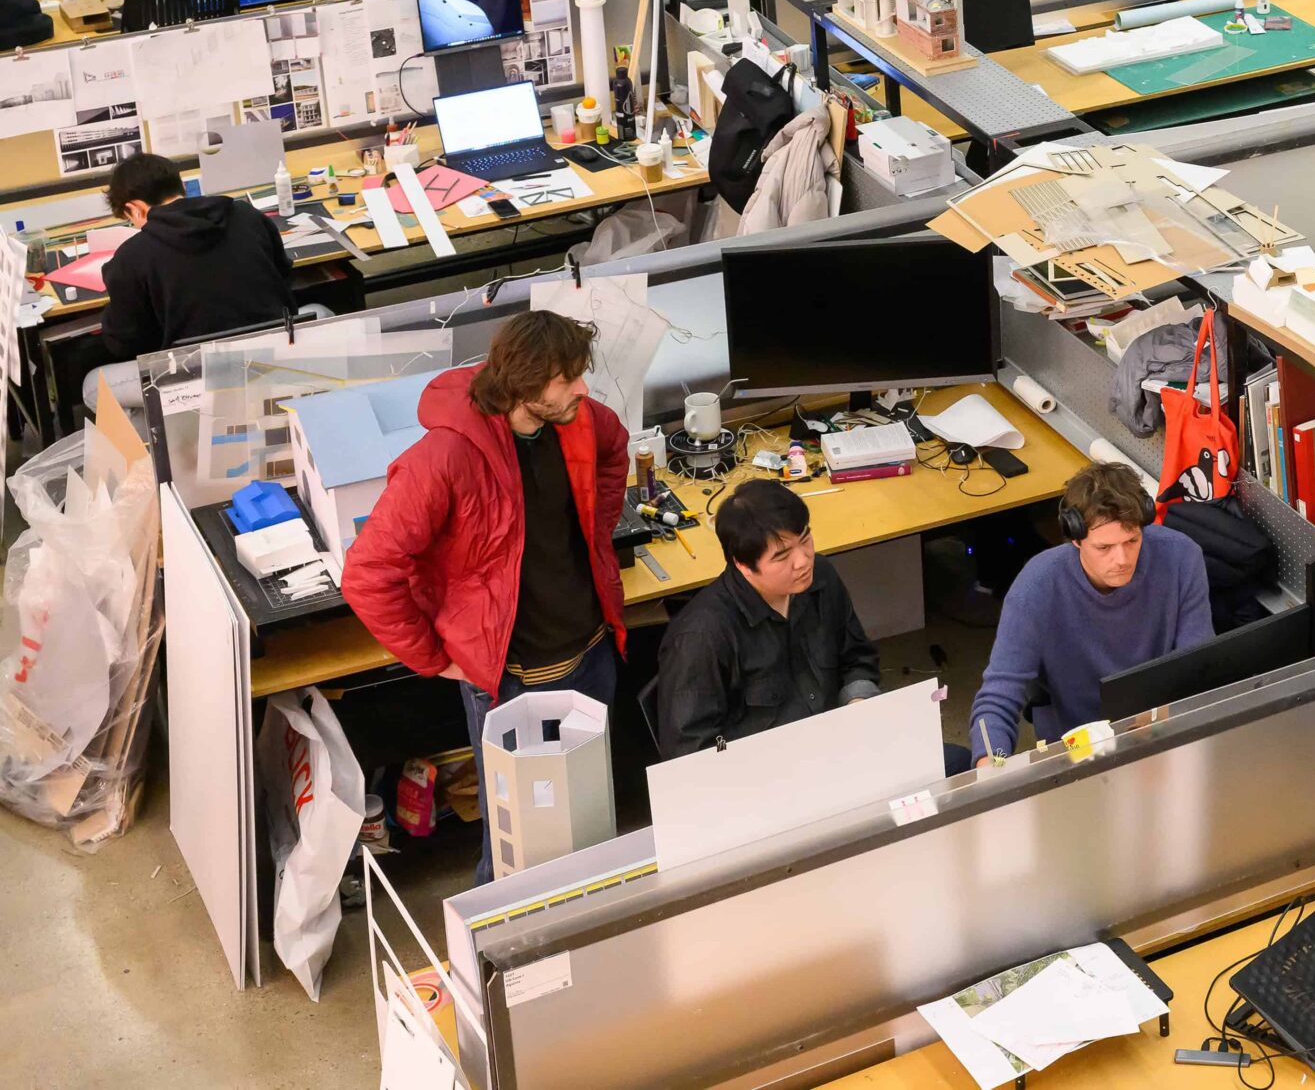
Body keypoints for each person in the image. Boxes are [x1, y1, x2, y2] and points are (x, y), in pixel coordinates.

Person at [342, 310, 630, 882]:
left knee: (589, 825)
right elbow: (368, 573)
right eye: (566, 378)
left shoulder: (581, 421)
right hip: (512, 683)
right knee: (513, 852)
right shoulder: (446, 457)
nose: (582, 388)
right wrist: (434, 658)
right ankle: (491, 960)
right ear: (524, 386)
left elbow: (616, 450)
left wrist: (595, 537)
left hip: (592, 657)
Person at [967, 462, 1212, 766]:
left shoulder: (1181, 557)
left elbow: (1198, 670)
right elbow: (999, 694)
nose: (1121, 559)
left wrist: (1161, 724)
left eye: (1132, 540)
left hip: (1159, 731)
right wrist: (991, 765)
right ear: (1075, 537)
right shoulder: (1037, 586)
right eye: (1104, 547)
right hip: (1075, 748)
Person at [655, 481, 881, 758]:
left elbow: (857, 657)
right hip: (766, 778)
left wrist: (858, 701)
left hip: (840, 745)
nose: (803, 561)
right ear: (743, 564)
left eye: (805, 539)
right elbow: (691, 752)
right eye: (782, 555)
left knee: (944, 766)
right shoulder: (701, 638)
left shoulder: (820, 575)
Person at [95, 151, 295, 362]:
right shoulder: (248, 215)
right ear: (179, 186)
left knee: (94, 381)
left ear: (134, 209)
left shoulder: (131, 257)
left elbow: (123, 344)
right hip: (279, 356)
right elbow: (285, 279)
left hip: (193, 377)